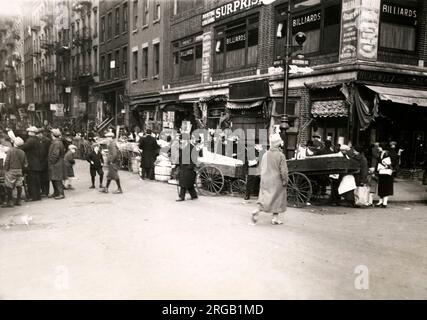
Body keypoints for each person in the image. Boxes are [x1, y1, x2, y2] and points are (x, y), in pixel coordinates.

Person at [252, 134, 288, 225]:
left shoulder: (265, 154)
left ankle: (257, 210)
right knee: (278, 199)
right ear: (278, 144)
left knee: (264, 198)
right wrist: (285, 180)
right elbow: (283, 171)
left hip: (266, 180)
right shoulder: (281, 156)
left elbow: (262, 168)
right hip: (277, 181)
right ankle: (275, 218)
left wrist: (262, 179)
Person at [2, 137, 27, 207]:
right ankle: (18, 201)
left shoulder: (10, 151)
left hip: (11, 170)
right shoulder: (22, 152)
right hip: (19, 170)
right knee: (19, 185)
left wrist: (5, 170)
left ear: (14, 143)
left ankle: (10, 201)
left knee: (8, 185)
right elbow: (25, 163)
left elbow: (7, 161)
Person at [21, 126, 42, 202]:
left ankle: (33, 196)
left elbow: (23, 147)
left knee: (32, 181)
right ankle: (37, 195)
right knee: (36, 180)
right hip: (37, 163)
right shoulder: (37, 140)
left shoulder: (30, 140)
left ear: (31, 133)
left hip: (32, 163)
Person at [176, 133, 198, 201]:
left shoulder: (192, 147)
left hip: (188, 168)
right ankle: (194, 195)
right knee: (188, 184)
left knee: (184, 182)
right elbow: (180, 157)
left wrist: (190, 167)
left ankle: (181, 197)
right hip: (183, 167)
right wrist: (176, 164)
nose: (181, 141)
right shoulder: (183, 147)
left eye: (182, 140)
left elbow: (194, 159)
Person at [48, 129, 66, 200]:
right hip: (57, 163)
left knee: (57, 179)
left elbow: (55, 154)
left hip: (56, 164)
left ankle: (61, 193)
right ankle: (56, 192)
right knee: (54, 178)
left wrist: (51, 161)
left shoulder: (56, 143)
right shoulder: (57, 142)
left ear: (53, 135)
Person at [375, 143, 394, 208]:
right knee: (381, 187)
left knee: (385, 187)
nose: (378, 148)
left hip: (386, 173)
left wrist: (387, 166)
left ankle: (384, 202)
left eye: (379, 147)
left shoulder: (388, 154)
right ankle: (381, 201)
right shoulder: (381, 153)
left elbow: (392, 162)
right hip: (382, 172)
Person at [37, 128, 51, 197]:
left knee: (46, 177)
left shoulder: (47, 140)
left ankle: (46, 191)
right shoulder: (38, 140)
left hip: (45, 161)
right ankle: (43, 191)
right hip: (40, 161)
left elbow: (48, 151)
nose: (37, 135)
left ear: (41, 133)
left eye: (38, 134)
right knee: (41, 177)